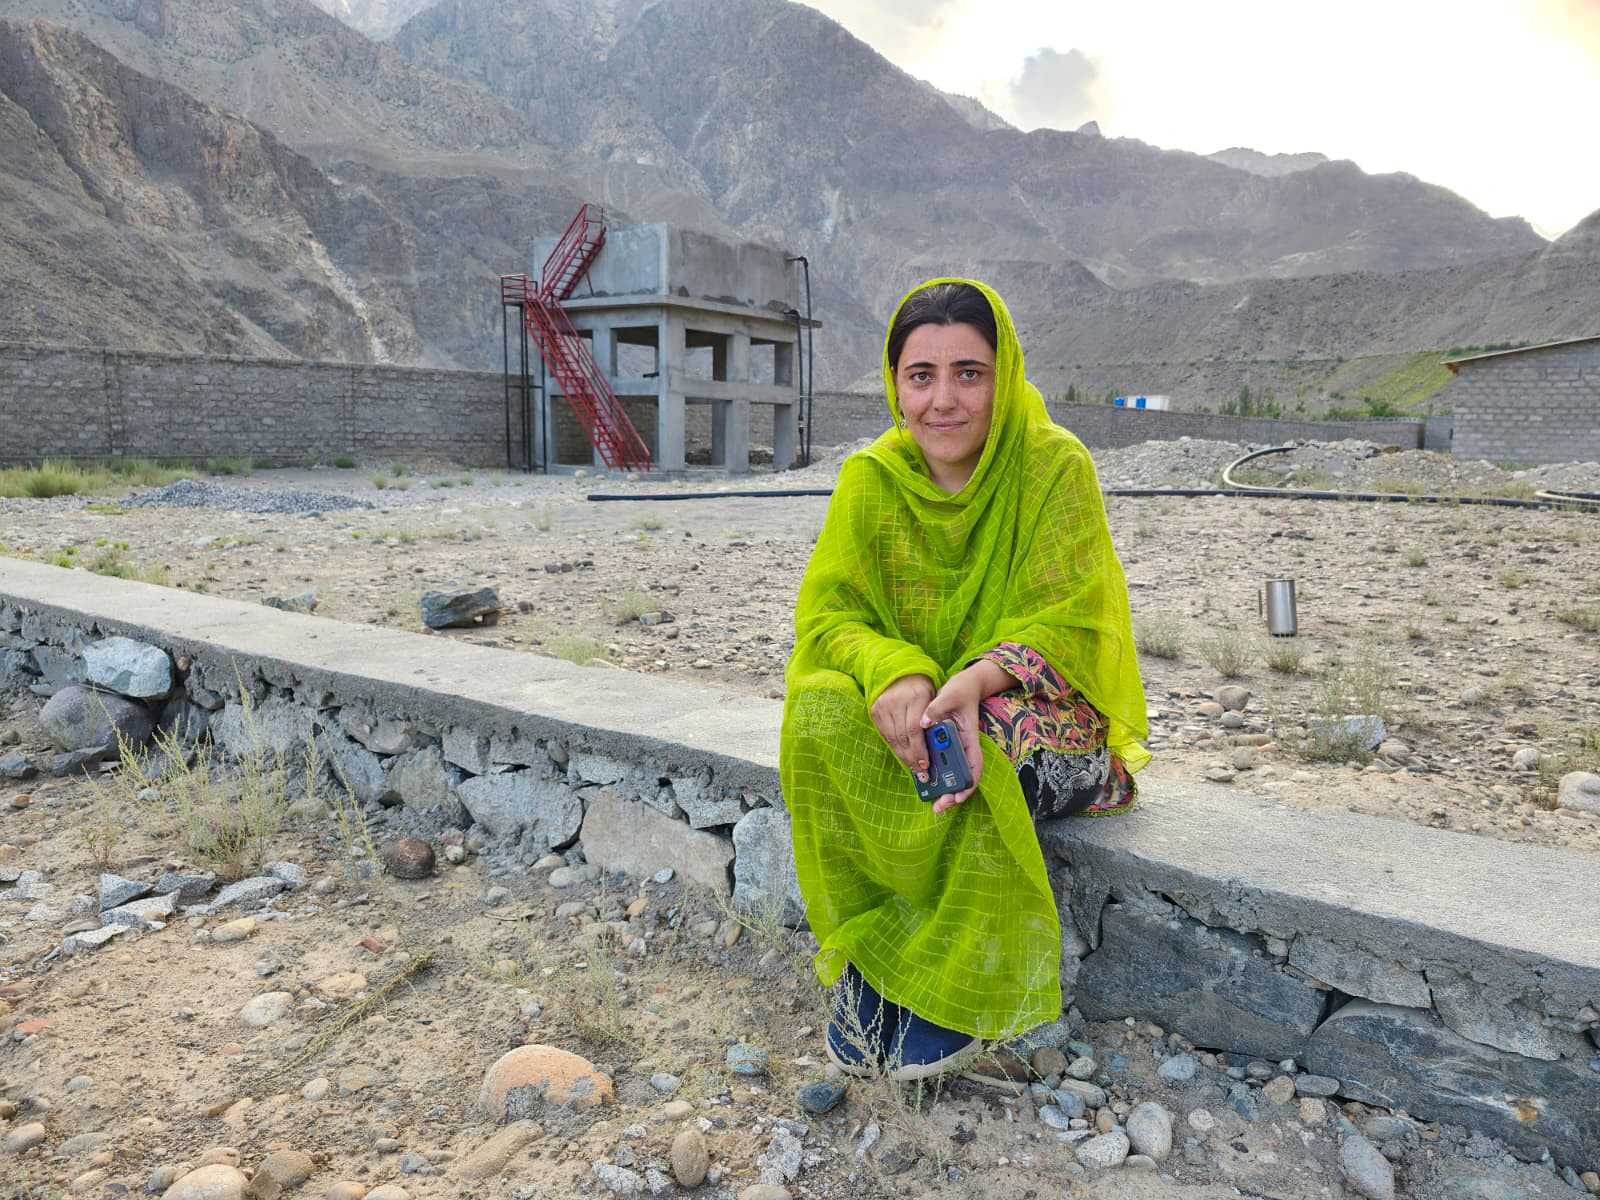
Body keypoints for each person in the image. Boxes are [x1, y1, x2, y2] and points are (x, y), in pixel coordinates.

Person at [779, 277, 1149, 1082]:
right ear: (895, 384)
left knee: (968, 738)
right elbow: (829, 620)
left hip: (1042, 720)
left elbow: (1075, 621)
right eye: (921, 376)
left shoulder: (1053, 468)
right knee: (816, 709)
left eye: (969, 374)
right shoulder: (871, 480)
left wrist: (979, 679)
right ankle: (880, 959)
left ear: (1003, 375)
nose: (943, 400)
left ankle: (954, 985)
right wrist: (896, 670)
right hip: (923, 711)